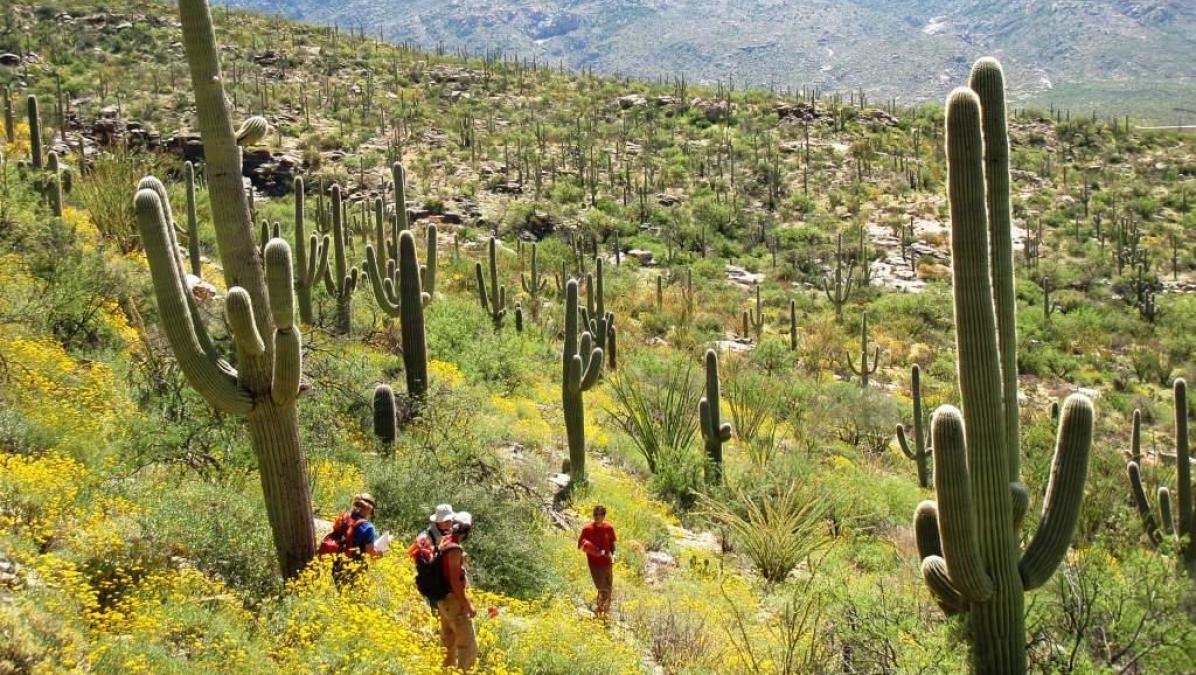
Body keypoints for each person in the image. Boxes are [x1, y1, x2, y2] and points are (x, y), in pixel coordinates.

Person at [438, 512, 477, 670]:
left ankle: (446, 671)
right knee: (467, 647)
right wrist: (467, 604)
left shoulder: (445, 541)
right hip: (453, 601)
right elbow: (455, 581)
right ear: (467, 530)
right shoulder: (454, 549)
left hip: (443, 601)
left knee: (450, 642)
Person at [320, 493, 383, 586]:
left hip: (337, 563)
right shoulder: (368, 527)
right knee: (355, 595)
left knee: (341, 592)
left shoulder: (344, 518)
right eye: (371, 512)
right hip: (355, 566)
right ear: (368, 509)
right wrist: (379, 554)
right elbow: (371, 552)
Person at [578, 504, 616, 618]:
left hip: (608, 563)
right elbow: (580, 545)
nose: (597, 517)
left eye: (600, 514)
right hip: (595, 565)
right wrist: (591, 550)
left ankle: (604, 613)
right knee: (602, 588)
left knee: (608, 588)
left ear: (604, 515)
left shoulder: (609, 528)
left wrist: (614, 555)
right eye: (595, 514)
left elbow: (612, 545)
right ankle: (600, 612)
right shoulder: (587, 529)